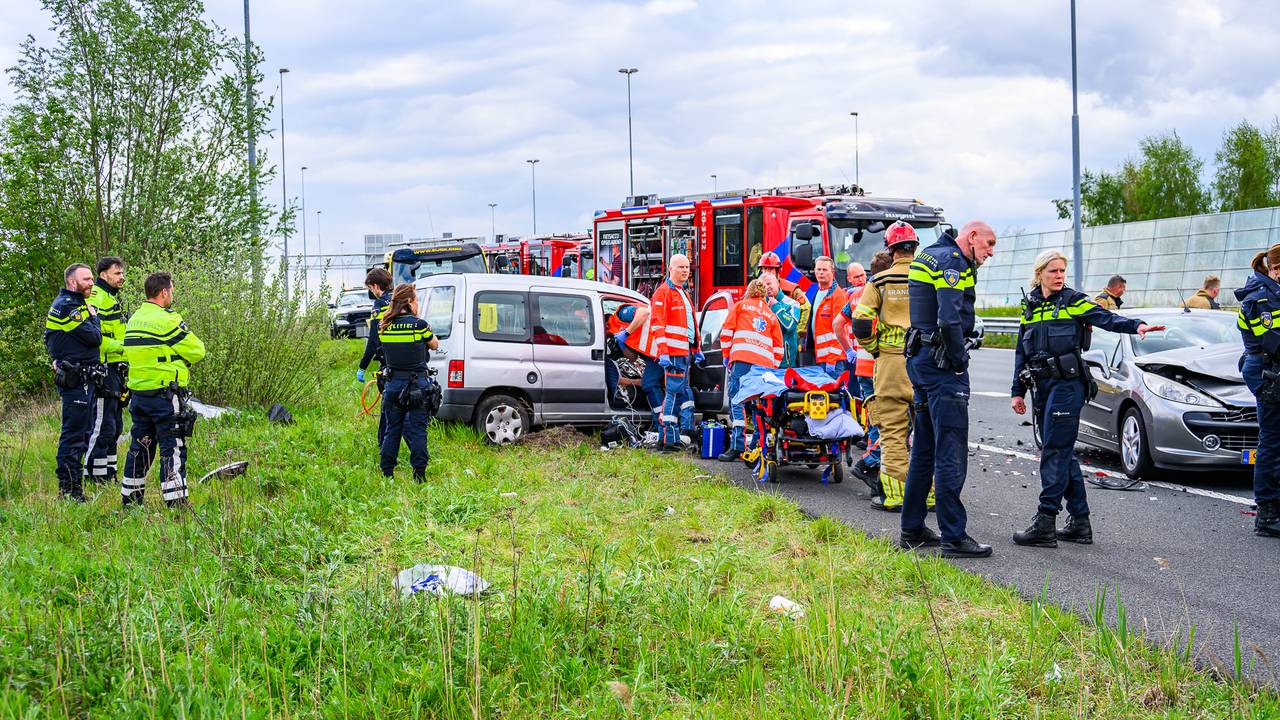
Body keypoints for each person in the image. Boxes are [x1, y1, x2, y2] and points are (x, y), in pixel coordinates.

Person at [1010, 250, 1161, 547]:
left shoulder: (1074, 300)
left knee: (1054, 451)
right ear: (1039, 273)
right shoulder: (1029, 306)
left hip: (1068, 386)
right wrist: (1017, 390)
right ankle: (1079, 522)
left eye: (1062, 271)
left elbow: (1106, 318)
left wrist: (1137, 325)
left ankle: (1045, 522)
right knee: (1062, 453)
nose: (1059, 276)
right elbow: (1021, 351)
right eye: (1053, 271)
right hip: (1042, 386)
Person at [902, 221, 997, 558]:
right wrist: (959, 361)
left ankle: (912, 527)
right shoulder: (954, 262)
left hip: (919, 361)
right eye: (988, 244)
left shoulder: (927, 254)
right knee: (950, 451)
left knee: (924, 449)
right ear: (971, 237)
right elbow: (949, 318)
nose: (990, 252)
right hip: (942, 366)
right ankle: (954, 537)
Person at [850, 225, 925, 513]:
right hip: (924, 364)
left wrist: (873, 348)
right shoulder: (928, 278)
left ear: (890, 249)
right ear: (914, 247)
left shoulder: (879, 281)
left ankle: (894, 497)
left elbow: (860, 322)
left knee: (893, 433)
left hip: (891, 363)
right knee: (926, 434)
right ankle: (927, 497)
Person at [121, 272, 206, 508]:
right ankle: (176, 503)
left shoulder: (134, 319)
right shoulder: (167, 320)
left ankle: (130, 501)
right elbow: (197, 351)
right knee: (173, 448)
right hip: (164, 397)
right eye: (172, 290)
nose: (172, 295)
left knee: (140, 447)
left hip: (139, 396)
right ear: (164, 292)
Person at [45, 263, 103, 501]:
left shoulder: (75, 304)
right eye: (87, 279)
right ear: (72, 283)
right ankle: (69, 491)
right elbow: (94, 338)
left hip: (83, 378)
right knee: (74, 436)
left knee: (83, 433)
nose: (91, 283)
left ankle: (73, 488)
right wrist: (94, 318)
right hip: (76, 380)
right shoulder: (68, 307)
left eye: (91, 279)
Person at [1235, 244, 1280, 537]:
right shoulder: (1262, 299)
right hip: (1269, 372)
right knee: (1272, 443)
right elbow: (1273, 342)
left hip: (1271, 368)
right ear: (1276, 269)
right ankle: (1266, 513)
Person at [377, 283, 440, 482]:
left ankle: (387, 474)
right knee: (418, 430)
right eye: (416, 300)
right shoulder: (419, 325)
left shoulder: (384, 325)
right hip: (417, 387)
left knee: (392, 430)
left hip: (393, 384)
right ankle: (419, 475)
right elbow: (435, 344)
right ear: (410, 301)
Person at [718, 278, 784, 461]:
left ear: (748, 291)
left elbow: (726, 332)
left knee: (737, 400)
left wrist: (726, 355)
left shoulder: (740, 306)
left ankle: (738, 446)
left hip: (742, 360)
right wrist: (773, 366)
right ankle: (757, 445)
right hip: (764, 366)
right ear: (764, 295)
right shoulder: (771, 315)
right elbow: (779, 348)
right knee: (759, 404)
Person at [650, 254, 700, 451]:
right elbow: (657, 324)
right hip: (672, 353)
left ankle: (672, 436)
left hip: (683, 352)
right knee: (672, 393)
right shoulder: (664, 293)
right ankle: (668, 439)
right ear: (670, 269)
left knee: (677, 392)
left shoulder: (683, 293)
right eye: (681, 267)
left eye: (687, 267)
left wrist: (695, 348)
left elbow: (688, 325)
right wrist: (664, 352)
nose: (685, 270)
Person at [85, 256, 127, 484]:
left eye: (122, 273)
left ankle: (108, 473)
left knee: (115, 425)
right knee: (102, 423)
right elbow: (96, 337)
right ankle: (92, 474)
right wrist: (123, 348)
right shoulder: (97, 298)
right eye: (117, 273)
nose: (122, 277)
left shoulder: (111, 297)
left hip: (117, 367)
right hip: (103, 368)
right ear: (103, 275)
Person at [608, 302, 664, 429]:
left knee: (650, 383)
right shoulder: (616, 332)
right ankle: (662, 426)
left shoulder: (620, 315)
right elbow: (632, 358)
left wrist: (626, 333)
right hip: (655, 353)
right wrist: (622, 345)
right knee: (653, 383)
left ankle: (660, 426)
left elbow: (644, 313)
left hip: (660, 350)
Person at [357, 267, 394, 445]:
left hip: (387, 362)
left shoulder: (380, 305)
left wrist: (362, 366)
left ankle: (384, 447)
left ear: (376, 286)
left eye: (371, 288)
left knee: (387, 410)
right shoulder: (401, 300)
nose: (372, 292)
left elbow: (373, 340)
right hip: (408, 362)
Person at [806, 256, 848, 373]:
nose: (821, 273)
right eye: (818, 269)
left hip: (833, 360)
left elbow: (840, 328)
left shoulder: (837, 295)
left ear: (832, 273)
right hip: (820, 357)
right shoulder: (819, 292)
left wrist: (832, 358)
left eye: (824, 270)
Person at [761, 272, 800, 368]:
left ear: (778, 283)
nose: (767, 287)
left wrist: (776, 307)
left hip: (785, 361)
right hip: (765, 359)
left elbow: (790, 325)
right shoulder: (760, 304)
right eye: (764, 285)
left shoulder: (792, 303)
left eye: (769, 283)